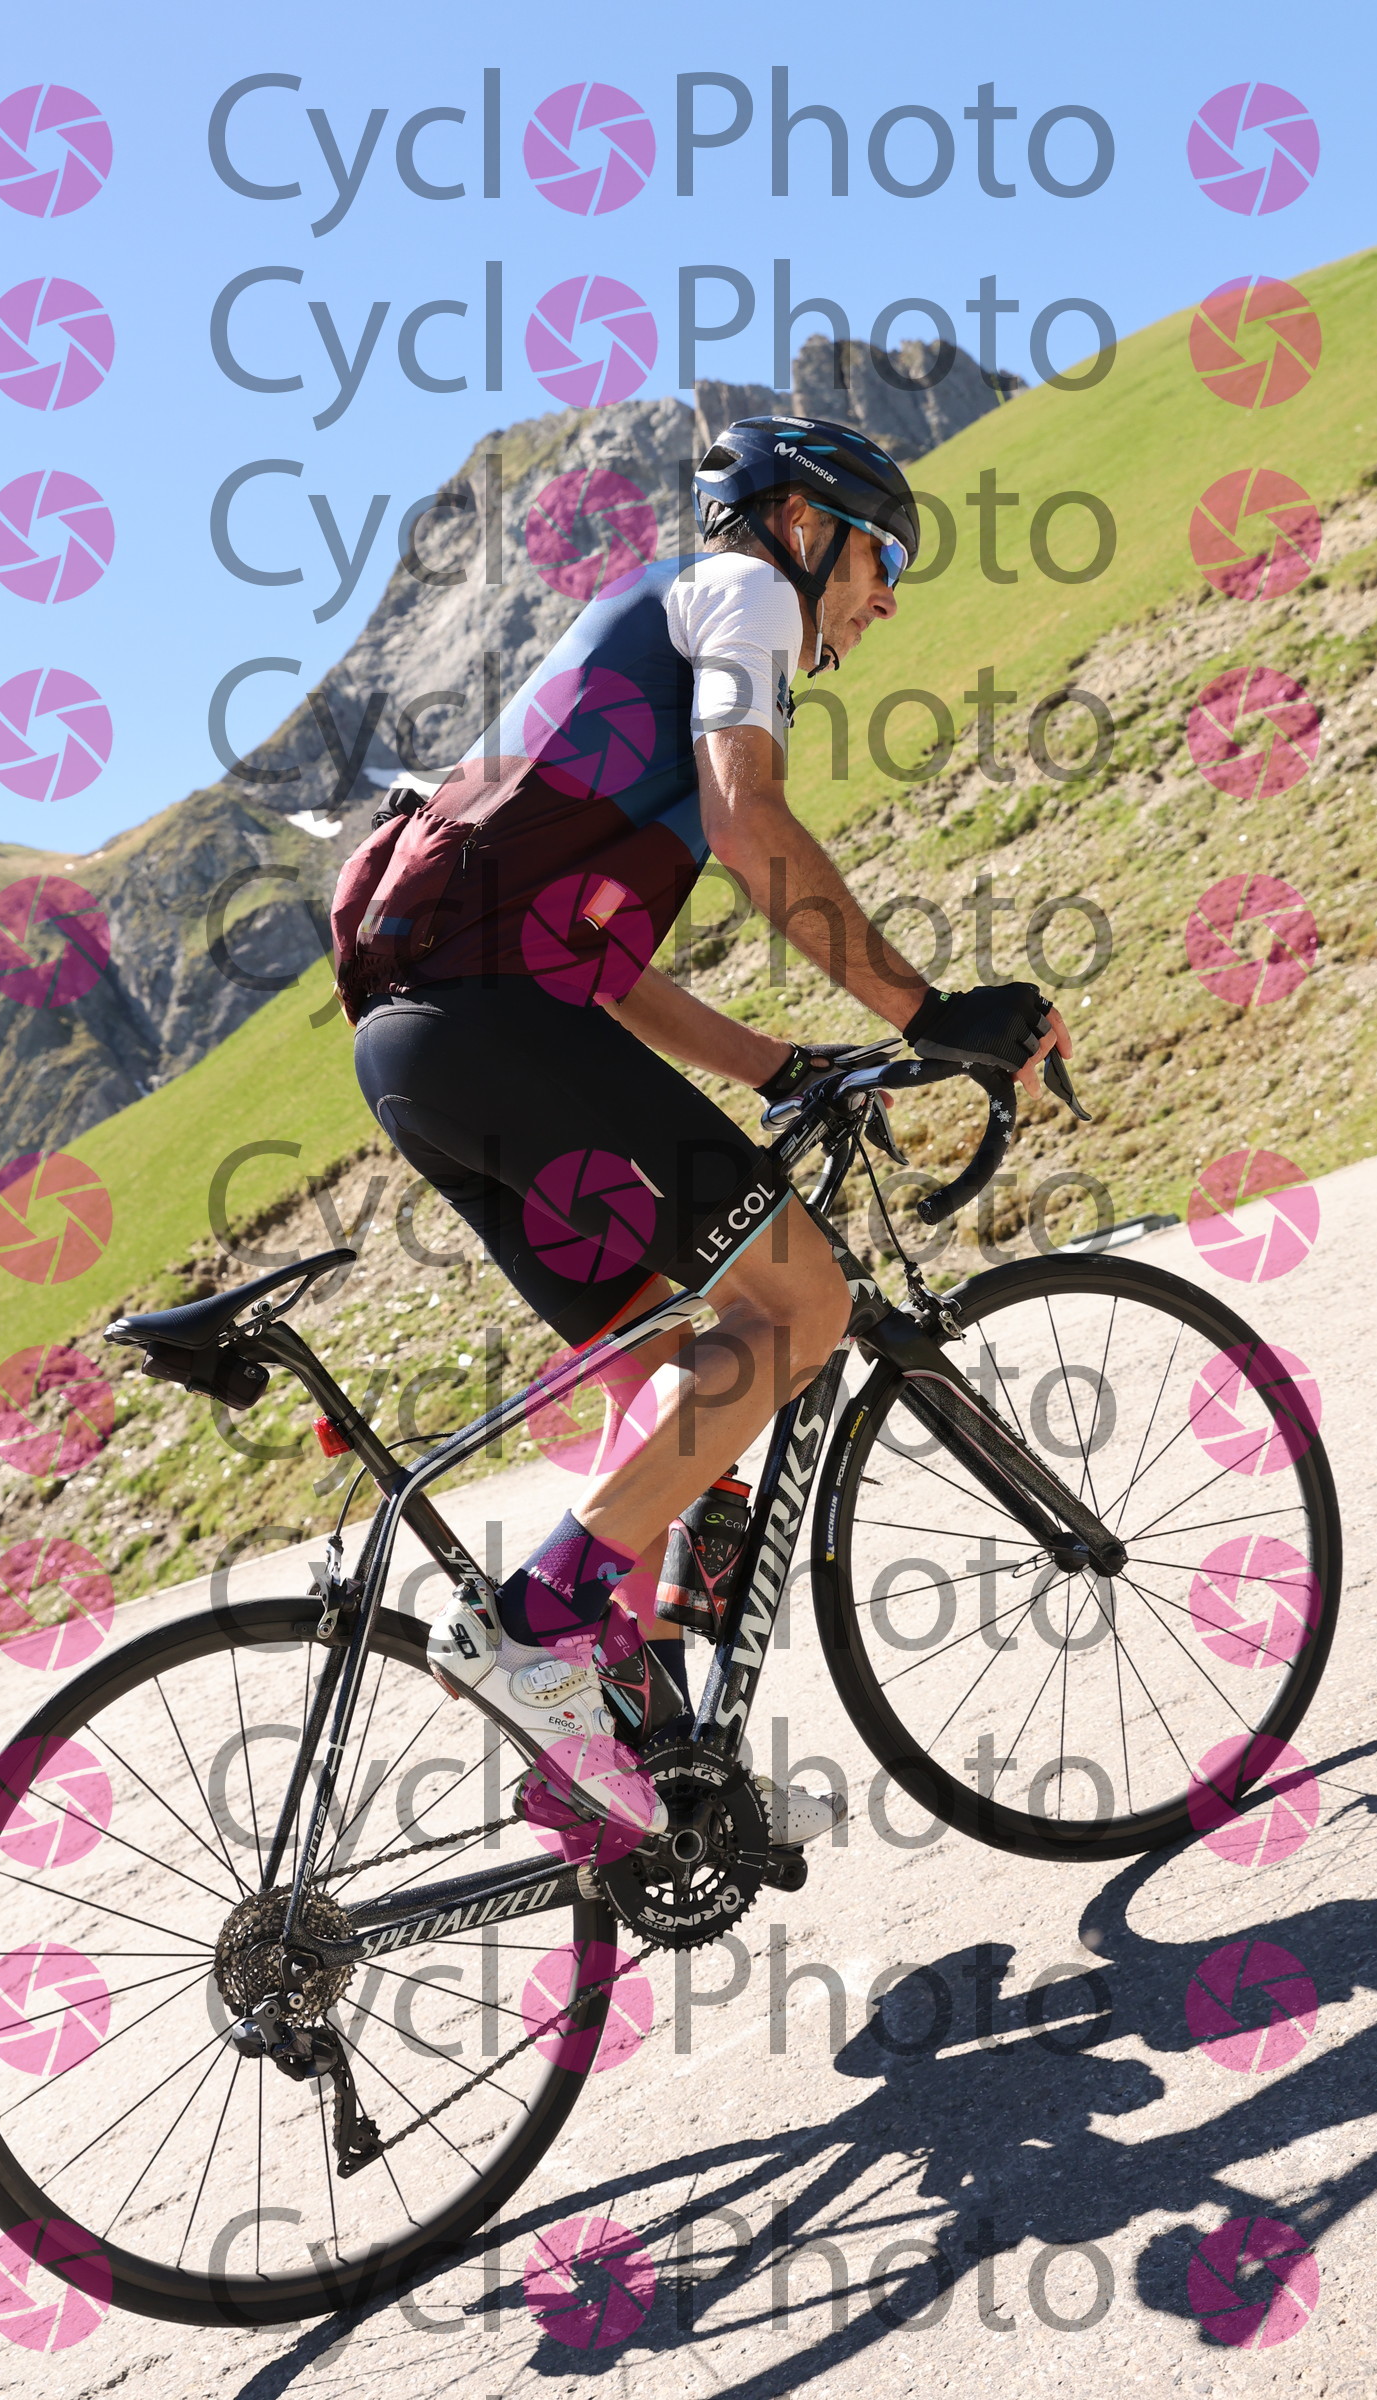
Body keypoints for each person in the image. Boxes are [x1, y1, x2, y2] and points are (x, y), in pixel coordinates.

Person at [331, 415, 1071, 1848]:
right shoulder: (740, 594)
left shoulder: (633, 688)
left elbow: (607, 971)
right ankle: (534, 1628)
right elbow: (751, 824)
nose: (890, 594)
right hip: (492, 1029)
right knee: (802, 1305)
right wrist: (928, 1011)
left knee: (679, 1391)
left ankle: (636, 1758)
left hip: (420, 1057)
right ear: (802, 524)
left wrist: (783, 1062)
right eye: (884, 553)